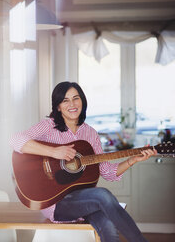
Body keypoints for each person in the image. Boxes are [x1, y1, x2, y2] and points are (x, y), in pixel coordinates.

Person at [10, 81, 157, 242]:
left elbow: (107, 172)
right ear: (58, 107)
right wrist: (54, 151)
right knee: (102, 194)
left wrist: (133, 160)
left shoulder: (90, 134)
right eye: (65, 100)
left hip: (85, 200)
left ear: (82, 102)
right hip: (58, 203)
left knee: (108, 228)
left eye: (76, 98)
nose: (72, 104)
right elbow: (15, 139)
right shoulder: (48, 126)